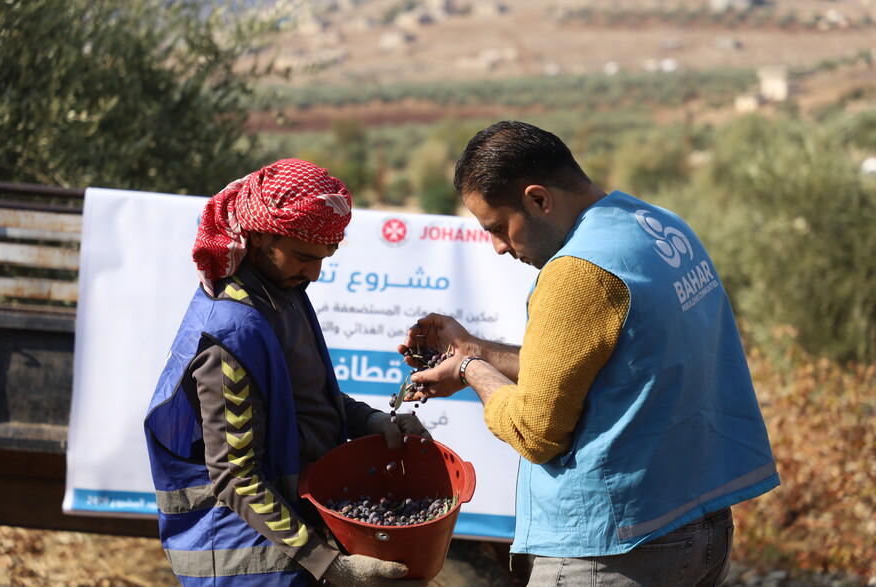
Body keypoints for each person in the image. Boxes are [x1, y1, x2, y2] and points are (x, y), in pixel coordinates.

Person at [399, 121, 780, 586]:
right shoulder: (658, 225)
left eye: (499, 227)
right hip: (699, 528)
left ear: (539, 200)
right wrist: (477, 349)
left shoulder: (577, 273)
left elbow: (534, 432)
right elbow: (605, 367)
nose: (498, 247)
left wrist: (470, 370)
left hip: (614, 551)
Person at [144, 158, 430, 586]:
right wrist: (331, 565)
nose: (315, 272)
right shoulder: (230, 334)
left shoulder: (284, 293)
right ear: (259, 235)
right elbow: (237, 479)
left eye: (325, 258)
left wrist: (371, 422)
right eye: (303, 257)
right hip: (246, 561)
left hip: (291, 548)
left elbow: (300, 398)